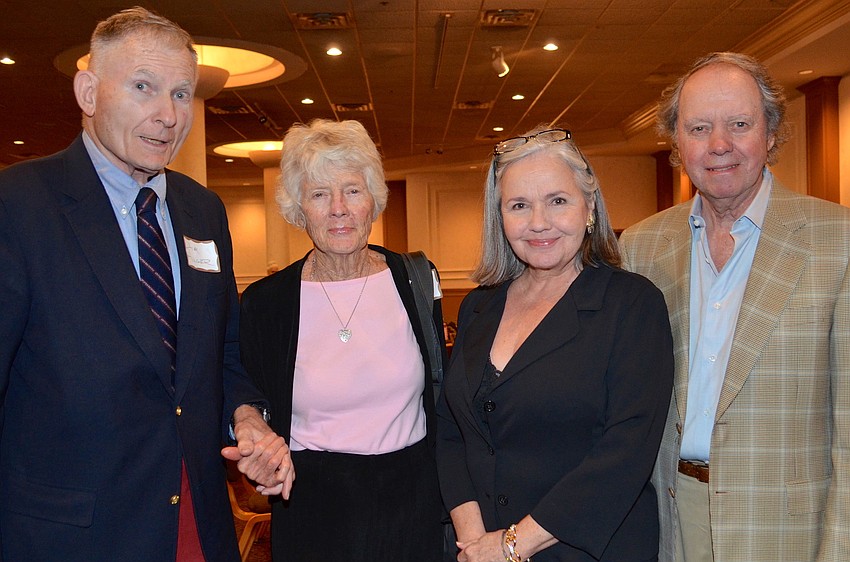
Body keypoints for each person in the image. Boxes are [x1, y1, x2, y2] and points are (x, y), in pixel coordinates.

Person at [0, 7, 293, 561]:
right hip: (69, 537)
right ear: (88, 92)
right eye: (143, 87)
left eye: (182, 94)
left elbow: (222, 357)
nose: (168, 115)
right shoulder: (17, 207)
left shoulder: (201, 210)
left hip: (196, 524)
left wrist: (247, 418)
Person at [620, 52, 850, 561]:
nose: (719, 145)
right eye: (699, 127)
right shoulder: (641, 247)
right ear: (677, 144)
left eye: (739, 124)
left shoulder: (840, 242)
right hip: (668, 521)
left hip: (788, 530)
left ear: (770, 133)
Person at [437, 126, 674, 562]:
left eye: (557, 201)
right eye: (519, 206)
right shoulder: (478, 307)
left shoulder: (632, 304)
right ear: (500, 217)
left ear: (589, 209)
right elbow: (453, 431)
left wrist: (511, 546)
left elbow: (626, 450)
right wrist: (474, 542)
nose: (538, 223)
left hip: (584, 550)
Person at [238, 118, 445, 561]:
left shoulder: (416, 281)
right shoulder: (265, 303)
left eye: (352, 190)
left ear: (373, 200)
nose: (338, 208)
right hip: (313, 506)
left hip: (413, 503)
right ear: (298, 209)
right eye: (318, 194)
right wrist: (258, 449)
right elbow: (247, 395)